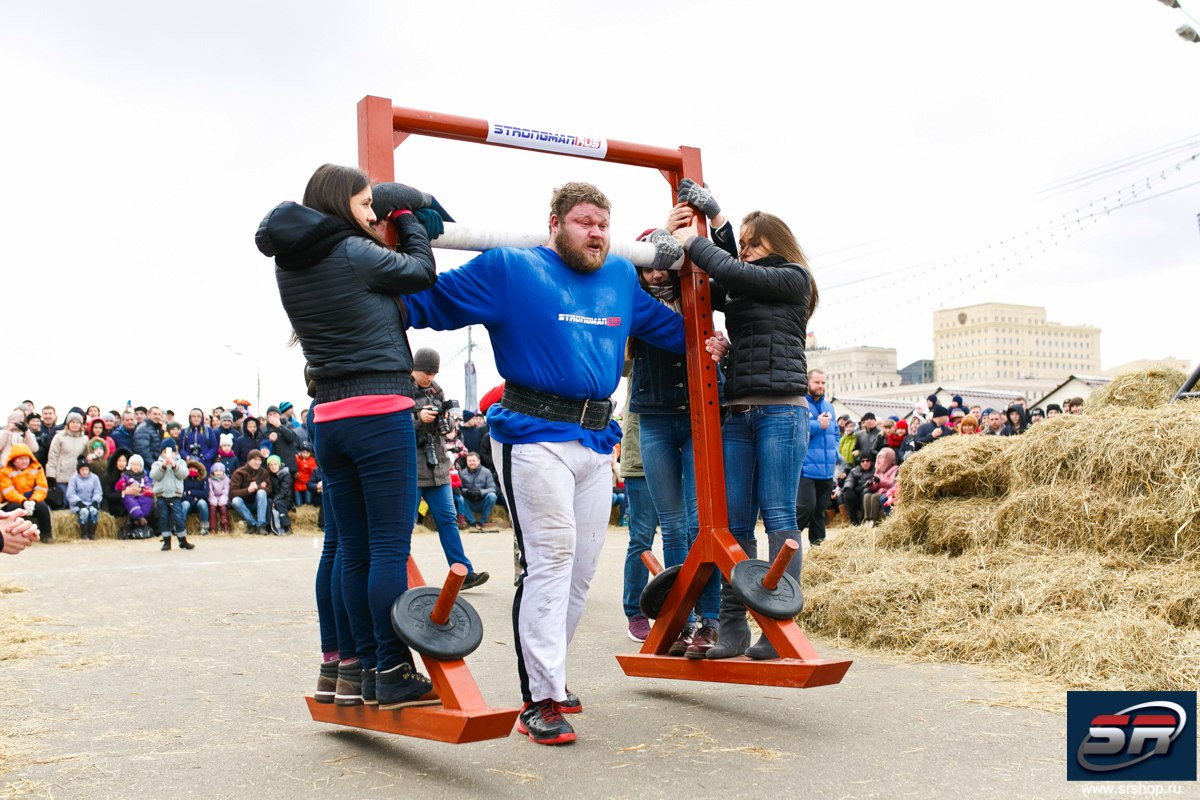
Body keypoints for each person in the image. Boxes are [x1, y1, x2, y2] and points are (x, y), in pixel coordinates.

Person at [405, 181, 686, 745]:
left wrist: (715, 327)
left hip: (594, 440)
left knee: (582, 569)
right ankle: (540, 697)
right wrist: (400, 239)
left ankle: (551, 674)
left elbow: (676, 332)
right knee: (551, 561)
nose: (597, 233)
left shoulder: (620, 279)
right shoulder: (509, 268)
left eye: (604, 224)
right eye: (584, 221)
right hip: (532, 435)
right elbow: (420, 302)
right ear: (554, 222)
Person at [258, 164, 439, 711]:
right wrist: (407, 217)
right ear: (340, 206)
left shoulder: (292, 263)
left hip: (330, 417)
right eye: (365, 206)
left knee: (350, 550)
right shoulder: (353, 252)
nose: (371, 214)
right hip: (380, 409)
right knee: (386, 548)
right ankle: (390, 668)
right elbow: (420, 270)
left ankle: (350, 666)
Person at [669, 179, 817, 661]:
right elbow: (727, 282)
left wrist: (704, 235)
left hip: (781, 410)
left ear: (778, 243)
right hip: (738, 410)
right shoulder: (746, 287)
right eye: (745, 242)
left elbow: (731, 270)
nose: (748, 251)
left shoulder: (794, 277)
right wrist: (714, 227)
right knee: (733, 525)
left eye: (756, 242)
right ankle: (732, 628)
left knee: (777, 513)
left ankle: (776, 621)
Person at [626, 232, 724, 657]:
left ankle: (711, 619)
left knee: (702, 523)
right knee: (673, 525)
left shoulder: (697, 292)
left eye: (662, 264)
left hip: (697, 412)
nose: (655, 273)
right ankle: (680, 620)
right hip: (653, 416)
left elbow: (729, 267)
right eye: (646, 267)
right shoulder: (634, 300)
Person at [411, 347, 488, 589]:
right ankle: (397, 577)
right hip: (412, 468)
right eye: (426, 372)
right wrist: (417, 419)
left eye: (434, 372)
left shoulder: (437, 391)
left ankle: (464, 573)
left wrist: (445, 422)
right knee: (403, 528)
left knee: (449, 521)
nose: (430, 377)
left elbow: (446, 427)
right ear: (414, 368)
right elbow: (391, 426)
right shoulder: (400, 389)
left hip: (439, 467)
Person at [797, 369, 838, 547]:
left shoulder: (829, 407)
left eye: (823, 383)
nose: (821, 386)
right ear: (808, 383)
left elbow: (836, 433)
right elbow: (797, 430)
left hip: (826, 471)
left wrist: (835, 452)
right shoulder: (800, 404)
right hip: (807, 469)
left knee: (819, 513)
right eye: (817, 383)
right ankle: (787, 544)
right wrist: (817, 425)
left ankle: (818, 551)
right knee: (805, 508)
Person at [0, 444, 52, 543]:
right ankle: (12, 536)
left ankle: (46, 535)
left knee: (43, 508)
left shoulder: (37, 468)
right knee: (13, 509)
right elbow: (8, 492)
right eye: (21, 459)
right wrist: (23, 501)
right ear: (13, 460)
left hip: (33, 499)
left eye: (26, 458)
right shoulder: (4, 472)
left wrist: (33, 500)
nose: (24, 461)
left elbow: (41, 488)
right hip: (13, 500)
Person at [151, 440, 192, 551]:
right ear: (161, 453)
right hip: (161, 496)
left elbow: (184, 474)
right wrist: (163, 467)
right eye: (164, 452)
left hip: (175, 495)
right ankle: (166, 541)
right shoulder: (157, 464)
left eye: (170, 452)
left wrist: (174, 466)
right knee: (164, 519)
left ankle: (182, 540)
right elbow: (154, 476)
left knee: (178, 518)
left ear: (175, 453)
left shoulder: (181, 463)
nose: (167, 455)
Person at [45, 411, 88, 506]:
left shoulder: (84, 439)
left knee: (74, 504)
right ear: (68, 424)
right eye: (73, 422)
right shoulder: (59, 437)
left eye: (78, 423)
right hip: (61, 476)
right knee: (64, 502)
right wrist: (50, 475)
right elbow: (53, 456)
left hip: (77, 476)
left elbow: (85, 458)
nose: (75, 425)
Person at [229, 450, 270, 533]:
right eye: (254, 460)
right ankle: (252, 523)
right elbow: (232, 493)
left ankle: (261, 525)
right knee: (235, 500)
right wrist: (248, 490)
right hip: (243, 504)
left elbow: (269, 489)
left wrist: (257, 487)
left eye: (259, 460)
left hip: (257, 504)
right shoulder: (239, 473)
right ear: (249, 460)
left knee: (261, 492)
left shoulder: (263, 472)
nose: (257, 462)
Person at [456, 451, 498, 532]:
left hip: (482, 502)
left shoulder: (486, 472)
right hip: (469, 503)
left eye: (473, 460)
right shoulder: (462, 473)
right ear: (467, 462)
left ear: (479, 461)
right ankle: (473, 522)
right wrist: (467, 491)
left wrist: (480, 492)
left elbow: (493, 488)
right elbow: (458, 489)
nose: (472, 463)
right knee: (459, 498)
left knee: (492, 496)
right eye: (469, 461)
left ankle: (483, 521)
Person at [116, 454, 155, 537]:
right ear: (130, 465)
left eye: (138, 465)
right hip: (130, 494)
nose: (136, 467)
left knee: (148, 500)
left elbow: (148, 484)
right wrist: (123, 485)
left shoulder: (144, 476)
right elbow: (120, 485)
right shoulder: (126, 475)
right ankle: (139, 517)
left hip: (141, 494)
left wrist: (145, 489)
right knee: (130, 501)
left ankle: (142, 518)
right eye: (134, 465)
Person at [66, 458, 103, 539]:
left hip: (91, 502)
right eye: (82, 470)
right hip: (78, 504)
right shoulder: (74, 479)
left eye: (86, 469)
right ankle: (84, 533)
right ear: (79, 470)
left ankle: (92, 533)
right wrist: (78, 502)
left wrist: (95, 501)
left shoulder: (95, 478)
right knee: (84, 512)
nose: (84, 471)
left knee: (93, 511)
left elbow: (98, 491)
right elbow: (70, 493)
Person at [861, 448, 897, 524]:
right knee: (866, 495)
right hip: (879, 491)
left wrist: (880, 481)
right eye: (878, 457)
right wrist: (871, 485)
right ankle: (867, 519)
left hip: (888, 493)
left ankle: (873, 519)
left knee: (875, 497)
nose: (879, 460)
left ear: (888, 458)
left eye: (881, 457)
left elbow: (892, 484)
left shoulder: (895, 468)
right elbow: (875, 486)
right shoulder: (878, 469)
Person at [265, 455, 293, 535]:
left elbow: (284, 492)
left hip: (286, 499)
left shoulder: (286, 475)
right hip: (275, 499)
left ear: (279, 464)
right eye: (271, 465)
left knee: (278, 503)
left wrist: (275, 500)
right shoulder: (268, 475)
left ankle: (287, 527)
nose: (273, 467)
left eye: (275, 464)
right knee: (268, 501)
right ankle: (268, 527)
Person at [182, 459, 210, 535]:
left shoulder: (203, 479)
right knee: (184, 504)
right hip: (187, 500)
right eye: (190, 468)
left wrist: (190, 492)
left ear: (198, 470)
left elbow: (205, 493)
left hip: (199, 501)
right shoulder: (183, 479)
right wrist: (192, 498)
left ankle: (204, 528)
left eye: (194, 469)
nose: (192, 470)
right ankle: (181, 528)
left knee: (203, 503)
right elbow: (181, 494)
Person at [103, 448, 133, 521]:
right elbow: (108, 494)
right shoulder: (108, 475)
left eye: (124, 461)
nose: (121, 463)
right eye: (119, 460)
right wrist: (123, 493)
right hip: (115, 505)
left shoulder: (132, 475)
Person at [207, 461, 231, 533]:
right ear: (213, 472)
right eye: (216, 471)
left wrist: (222, 501)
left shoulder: (226, 479)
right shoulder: (210, 480)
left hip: (223, 498)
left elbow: (226, 491)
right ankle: (213, 528)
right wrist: (213, 500)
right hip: (213, 498)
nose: (218, 473)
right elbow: (210, 492)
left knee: (223, 508)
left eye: (220, 471)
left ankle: (226, 527)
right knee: (212, 509)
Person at [293, 443, 317, 508]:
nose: (305, 454)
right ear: (300, 452)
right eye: (303, 452)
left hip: (307, 485)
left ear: (310, 453)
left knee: (308, 502)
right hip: (297, 485)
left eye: (307, 452)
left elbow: (314, 473)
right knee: (298, 504)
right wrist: (295, 473)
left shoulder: (312, 461)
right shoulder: (297, 459)